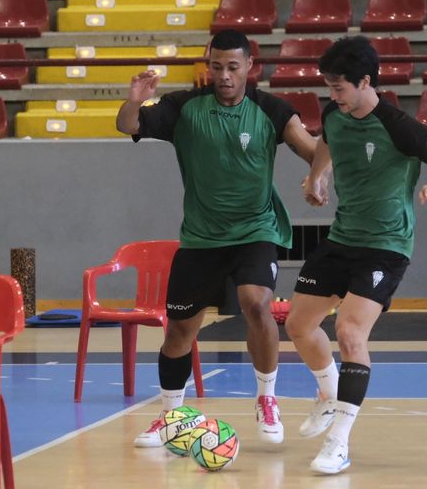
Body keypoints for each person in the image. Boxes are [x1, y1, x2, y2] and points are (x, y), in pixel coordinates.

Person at [115, 29, 317, 447]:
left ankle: (266, 399)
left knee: (255, 302)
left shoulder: (270, 110)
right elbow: (126, 125)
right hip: (201, 239)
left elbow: (311, 148)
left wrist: (322, 171)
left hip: (256, 230)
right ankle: (172, 416)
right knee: (179, 333)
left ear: (249, 68)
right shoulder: (183, 107)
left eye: (232, 67)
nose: (224, 75)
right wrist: (135, 99)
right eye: (216, 67)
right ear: (208, 68)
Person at [284, 36, 427, 474]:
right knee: (297, 325)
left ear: (366, 81)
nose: (332, 94)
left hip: (385, 247)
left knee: (349, 333)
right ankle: (328, 394)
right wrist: (317, 178)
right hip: (342, 238)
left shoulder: (399, 127)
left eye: (339, 86)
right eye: (328, 86)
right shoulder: (335, 113)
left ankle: (339, 442)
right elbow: (327, 140)